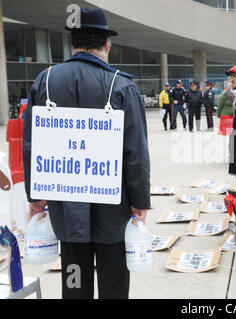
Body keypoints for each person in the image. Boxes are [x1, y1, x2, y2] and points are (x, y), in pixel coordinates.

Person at [22, 8, 151, 299]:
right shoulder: (121, 85)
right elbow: (136, 153)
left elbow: (31, 144)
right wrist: (140, 201)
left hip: (66, 205)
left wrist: (35, 195)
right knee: (114, 280)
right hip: (113, 207)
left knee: (74, 278)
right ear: (107, 44)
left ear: (73, 42)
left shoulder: (44, 81)